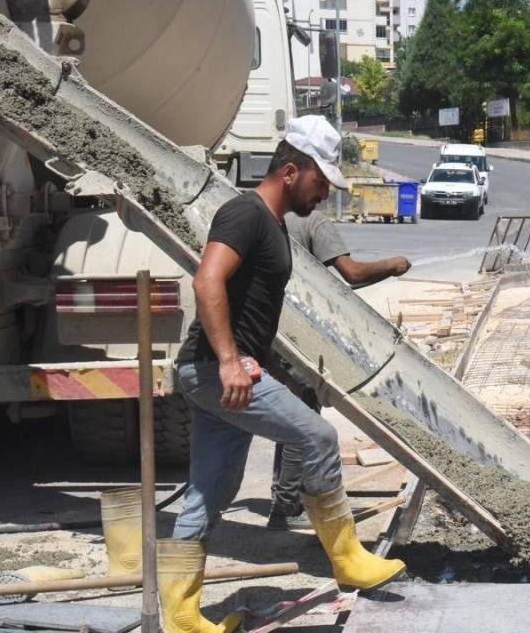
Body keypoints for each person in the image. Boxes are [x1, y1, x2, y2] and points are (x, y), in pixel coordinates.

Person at [164, 115, 405, 632]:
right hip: (214, 370)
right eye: (322, 183)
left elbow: (248, 310)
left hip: (223, 371)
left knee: (211, 491)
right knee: (317, 436)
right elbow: (207, 281)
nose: (325, 195)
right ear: (291, 170)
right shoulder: (244, 213)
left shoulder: (272, 225)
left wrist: (270, 368)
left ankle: (182, 617)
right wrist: (230, 361)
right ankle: (347, 559)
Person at [268, 210, 410, 531]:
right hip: (298, 328)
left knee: (292, 414)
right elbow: (353, 273)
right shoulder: (311, 221)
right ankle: (286, 506)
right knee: (303, 414)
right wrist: (393, 265)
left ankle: (286, 495)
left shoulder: (266, 212)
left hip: (271, 326)